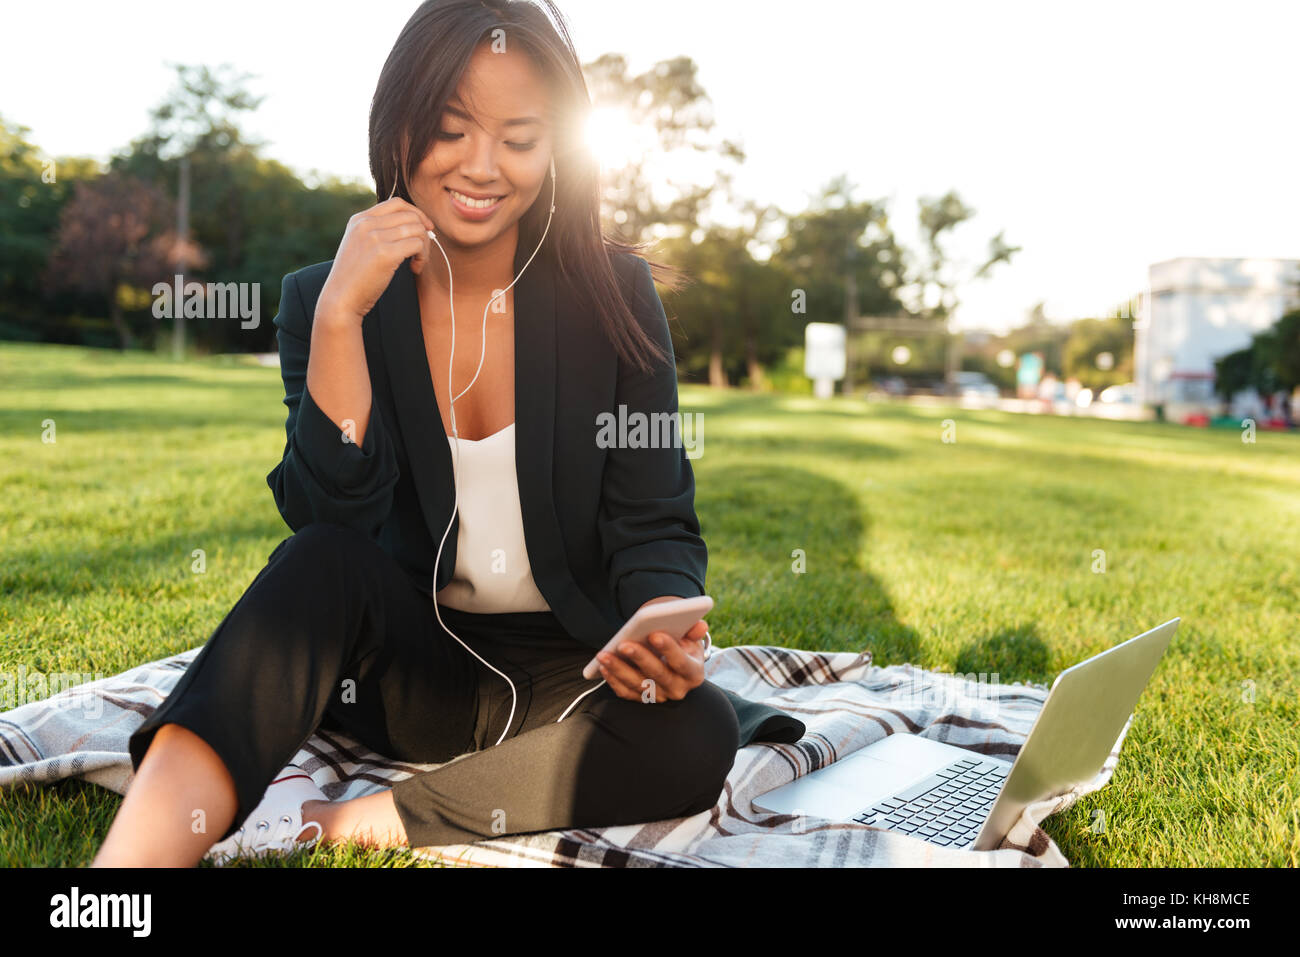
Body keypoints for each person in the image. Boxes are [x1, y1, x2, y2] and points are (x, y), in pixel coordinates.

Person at [91, 0, 803, 868]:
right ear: (398, 129)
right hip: (404, 674)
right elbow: (331, 518)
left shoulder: (613, 295)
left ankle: (339, 822)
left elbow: (653, 520)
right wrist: (341, 321)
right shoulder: (325, 297)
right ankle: (125, 876)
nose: (482, 167)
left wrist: (658, 621)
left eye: (520, 137)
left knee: (698, 731)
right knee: (315, 562)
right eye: (450, 129)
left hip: (570, 678)